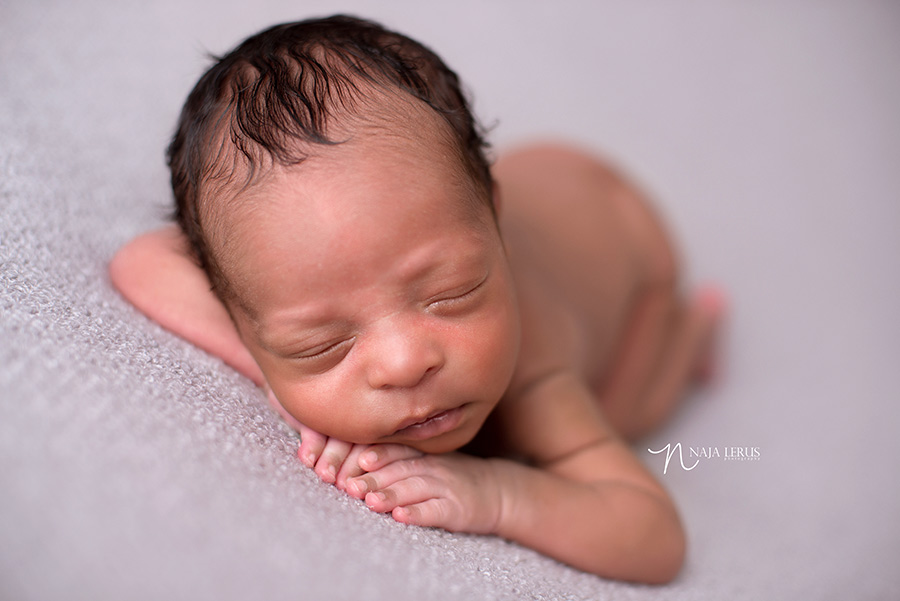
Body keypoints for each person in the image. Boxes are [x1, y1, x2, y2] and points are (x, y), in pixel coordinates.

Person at [109, 15, 722, 583]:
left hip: (623, 234)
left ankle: (689, 332)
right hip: (498, 194)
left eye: (451, 294)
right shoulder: (283, 270)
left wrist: (496, 494)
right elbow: (140, 260)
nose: (405, 363)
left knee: (622, 416)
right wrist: (275, 375)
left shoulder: (535, 368)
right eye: (321, 344)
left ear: (495, 226)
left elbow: (654, 537)